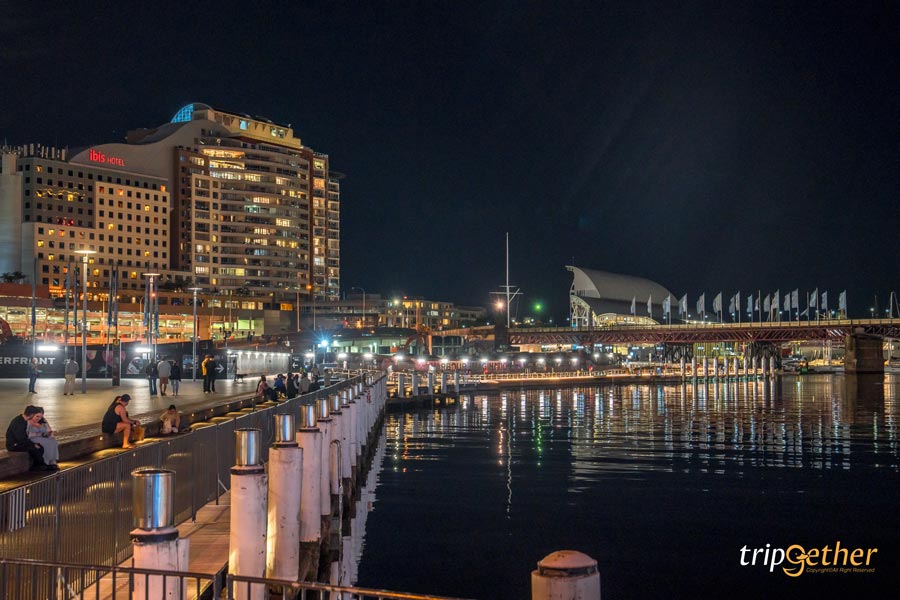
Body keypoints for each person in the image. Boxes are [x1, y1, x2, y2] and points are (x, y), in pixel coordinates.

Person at [5, 405, 50, 471]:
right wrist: (32, 444)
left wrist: (33, 443)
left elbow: (24, 437)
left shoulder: (23, 420)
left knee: (40, 447)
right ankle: (40, 465)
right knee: (34, 448)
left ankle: (38, 464)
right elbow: (20, 438)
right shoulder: (18, 422)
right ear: (31, 414)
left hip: (20, 442)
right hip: (14, 445)